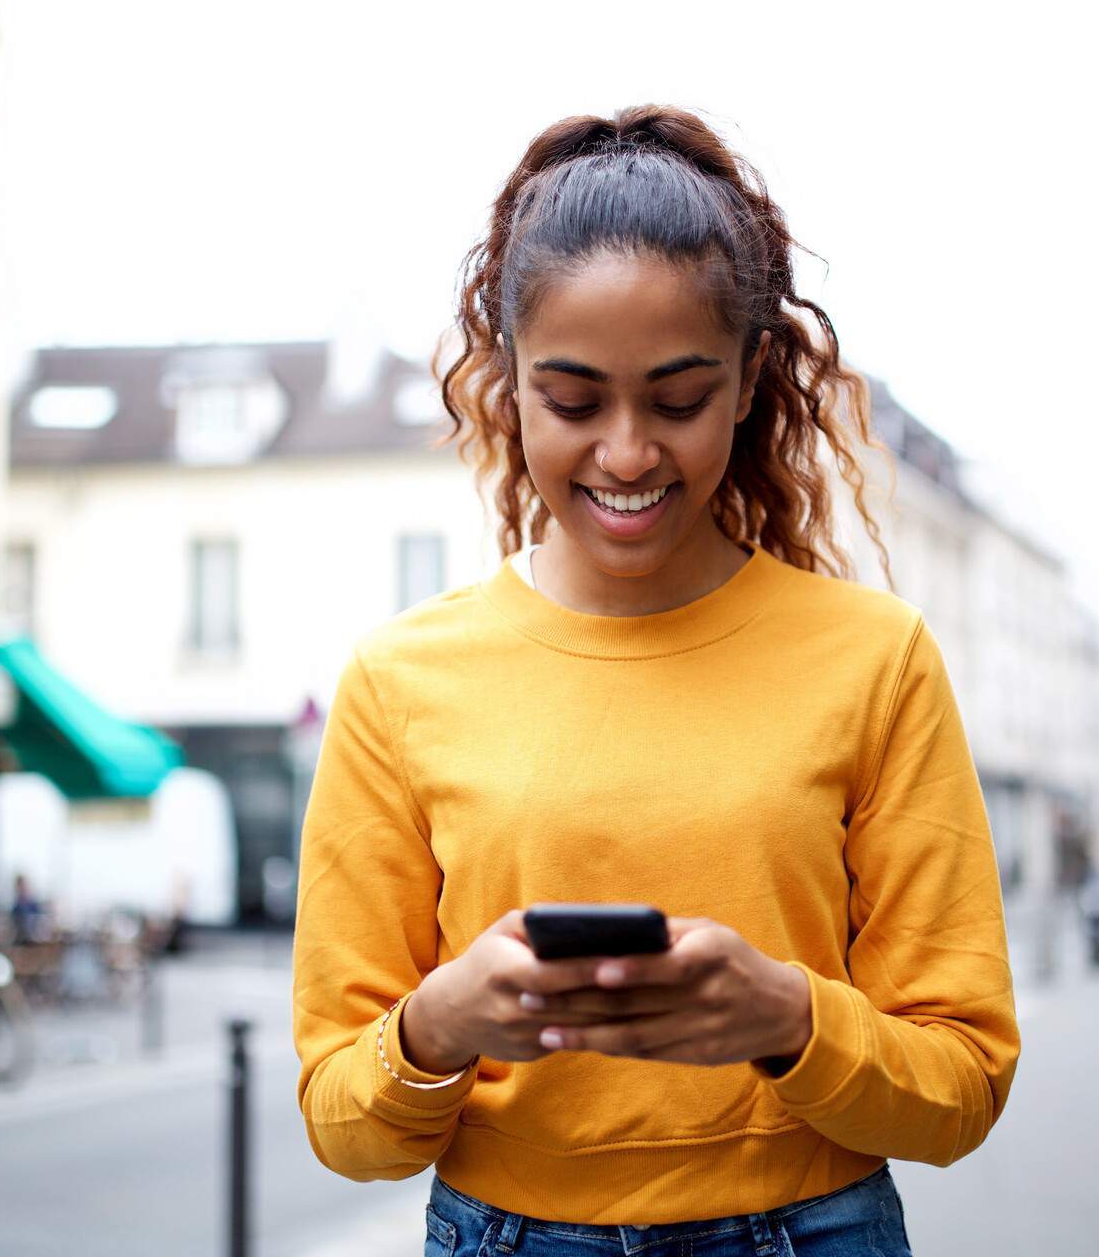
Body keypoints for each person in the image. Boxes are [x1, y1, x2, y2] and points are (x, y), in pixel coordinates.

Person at [291, 105, 1019, 1255]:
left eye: (678, 399)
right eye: (572, 400)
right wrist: (441, 1023)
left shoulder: (877, 660)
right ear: (506, 383)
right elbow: (343, 1120)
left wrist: (788, 1020)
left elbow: (963, 1085)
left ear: (747, 381)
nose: (627, 452)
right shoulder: (397, 681)